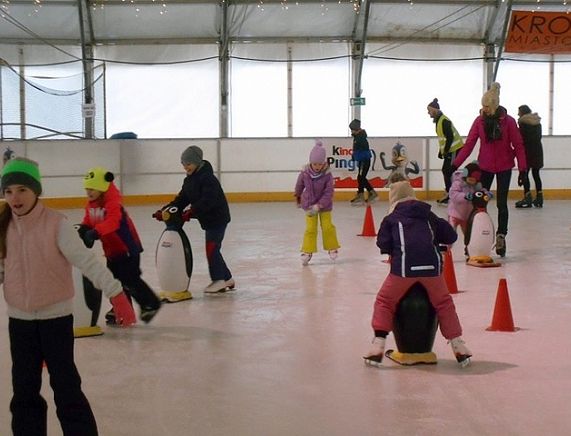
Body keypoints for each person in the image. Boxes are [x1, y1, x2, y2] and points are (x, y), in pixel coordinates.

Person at [0, 157, 135, 436]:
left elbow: (88, 262)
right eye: (9, 190)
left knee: (66, 387)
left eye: (22, 190)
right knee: (24, 390)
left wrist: (116, 293)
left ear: (37, 190)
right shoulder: (4, 227)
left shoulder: (56, 225)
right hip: (20, 322)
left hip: (55, 320)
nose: (15, 197)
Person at [363, 180, 472, 367]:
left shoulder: (391, 218)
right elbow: (451, 236)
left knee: (385, 300)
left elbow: (382, 243)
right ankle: (459, 345)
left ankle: (378, 345)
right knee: (444, 303)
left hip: (403, 270)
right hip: (432, 269)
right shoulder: (428, 215)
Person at [449, 82, 527, 257]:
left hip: (505, 167)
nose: (483, 109)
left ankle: (501, 236)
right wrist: (455, 164)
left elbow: (519, 145)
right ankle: (472, 239)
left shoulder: (509, 122)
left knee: (501, 203)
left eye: (486, 106)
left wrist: (523, 169)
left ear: (494, 106)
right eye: (482, 106)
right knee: (477, 203)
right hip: (484, 167)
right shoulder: (479, 121)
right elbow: (469, 143)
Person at [79, 167, 162, 324]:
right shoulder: (91, 205)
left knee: (130, 279)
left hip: (127, 248)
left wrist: (96, 232)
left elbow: (113, 222)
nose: (88, 192)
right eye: (87, 189)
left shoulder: (113, 203)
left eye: (92, 189)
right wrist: (83, 229)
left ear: (102, 187)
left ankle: (151, 304)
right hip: (112, 251)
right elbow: (88, 221)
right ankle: (122, 308)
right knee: (115, 281)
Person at [154, 145, 234, 294]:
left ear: (197, 162)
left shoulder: (208, 179)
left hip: (218, 218)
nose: (186, 167)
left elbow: (208, 201)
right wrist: (165, 210)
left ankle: (218, 280)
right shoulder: (189, 181)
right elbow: (181, 200)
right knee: (213, 248)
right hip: (208, 220)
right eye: (183, 164)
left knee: (211, 248)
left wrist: (191, 212)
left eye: (188, 164)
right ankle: (227, 278)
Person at [294, 139, 341, 266]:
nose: (317, 167)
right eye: (315, 164)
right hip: (309, 205)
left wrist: (320, 205)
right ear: (311, 162)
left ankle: (332, 247)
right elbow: (299, 185)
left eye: (320, 164)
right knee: (310, 229)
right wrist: (298, 197)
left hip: (324, 206)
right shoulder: (305, 173)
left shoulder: (327, 175)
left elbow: (329, 192)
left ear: (323, 163)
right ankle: (307, 251)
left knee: (327, 227)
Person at [427, 98, 464, 205]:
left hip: (454, 149)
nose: (428, 113)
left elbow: (450, 137)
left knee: (448, 171)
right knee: (446, 171)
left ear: (434, 110)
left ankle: (452, 195)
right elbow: (443, 138)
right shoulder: (439, 121)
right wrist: (441, 151)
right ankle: (450, 193)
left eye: (429, 110)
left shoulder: (444, 121)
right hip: (450, 150)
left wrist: (446, 151)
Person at [515, 104, 544, 208]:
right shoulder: (537, 122)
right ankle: (540, 197)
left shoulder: (523, 123)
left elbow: (522, 138)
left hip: (527, 151)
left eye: (519, 112)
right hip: (537, 151)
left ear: (522, 112)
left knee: (525, 174)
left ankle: (527, 197)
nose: (517, 114)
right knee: (536, 174)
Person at [447, 161, 484, 238]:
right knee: (450, 234)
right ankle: (446, 248)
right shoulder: (458, 183)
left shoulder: (475, 186)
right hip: (454, 214)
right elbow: (453, 195)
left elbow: (481, 192)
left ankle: (468, 248)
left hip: (467, 216)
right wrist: (465, 196)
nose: (472, 182)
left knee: (468, 235)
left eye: (474, 181)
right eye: (470, 180)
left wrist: (486, 194)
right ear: (465, 176)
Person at [349, 119, 377, 206]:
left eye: (352, 130)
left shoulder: (361, 137)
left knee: (361, 177)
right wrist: (354, 156)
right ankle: (368, 193)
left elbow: (361, 149)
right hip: (362, 160)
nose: (352, 131)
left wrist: (356, 155)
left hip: (364, 160)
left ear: (356, 129)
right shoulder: (358, 137)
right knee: (360, 177)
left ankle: (365, 194)